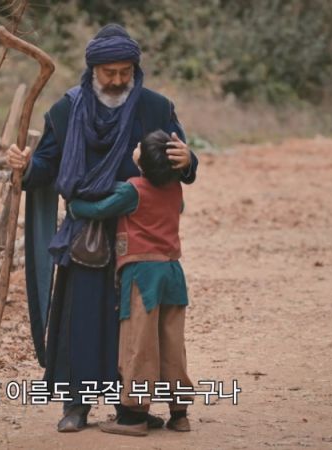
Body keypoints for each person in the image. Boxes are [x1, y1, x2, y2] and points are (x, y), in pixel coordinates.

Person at [5, 23, 198, 432]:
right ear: (93, 69)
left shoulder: (156, 108)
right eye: (109, 72)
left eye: (125, 72)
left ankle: (132, 407)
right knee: (82, 320)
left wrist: (189, 160)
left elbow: (177, 160)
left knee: (136, 329)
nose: (117, 80)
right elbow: (46, 167)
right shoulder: (66, 110)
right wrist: (26, 166)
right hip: (87, 234)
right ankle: (76, 406)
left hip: (141, 236)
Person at [68, 130, 194, 436]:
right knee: (172, 343)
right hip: (172, 271)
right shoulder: (175, 188)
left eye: (139, 147)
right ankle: (179, 414)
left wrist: (74, 206)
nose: (134, 147)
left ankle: (134, 416)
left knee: (139, 343)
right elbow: (174, 208)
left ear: (143, 163)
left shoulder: (133, 190)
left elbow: (100, 209)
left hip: (142, 275)